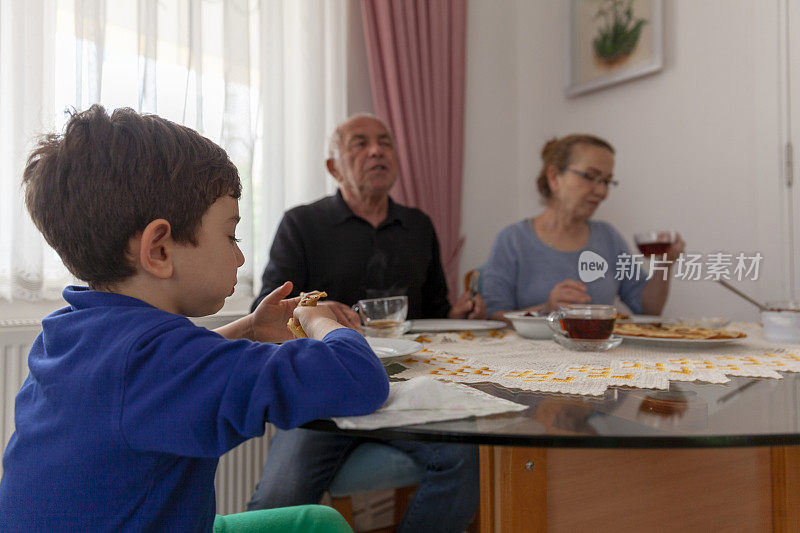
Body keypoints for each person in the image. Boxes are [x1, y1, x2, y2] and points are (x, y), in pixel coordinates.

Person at [0, 105, 390, 532]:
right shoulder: (166, 363)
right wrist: (314, 317)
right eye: (230, 234)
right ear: (160, 250)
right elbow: (359, 378)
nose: (239, 255)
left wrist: (250, 329)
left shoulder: (70, 329)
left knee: (314, 522)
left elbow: (166, 372)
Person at [246, 114, 482, 532]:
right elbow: (263, 312)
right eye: (359, 143)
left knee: (463, 461)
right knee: (277, 502)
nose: (376, 150)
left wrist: (458, 314)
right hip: (324, 390)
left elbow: (433, 311)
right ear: (333, 167)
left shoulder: (419, 225)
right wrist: (316, 307)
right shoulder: (302, 223)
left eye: (385, 142)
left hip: (404, 386)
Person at [483, 134, 685, 320]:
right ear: (554, 177)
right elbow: (494, 318)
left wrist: (664, 264)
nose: (602, 191)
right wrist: (546, 308)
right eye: (590, 176)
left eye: (607, 181)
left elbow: (648, 310)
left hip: (596, 356)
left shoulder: (608, 237)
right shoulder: (513, 240)